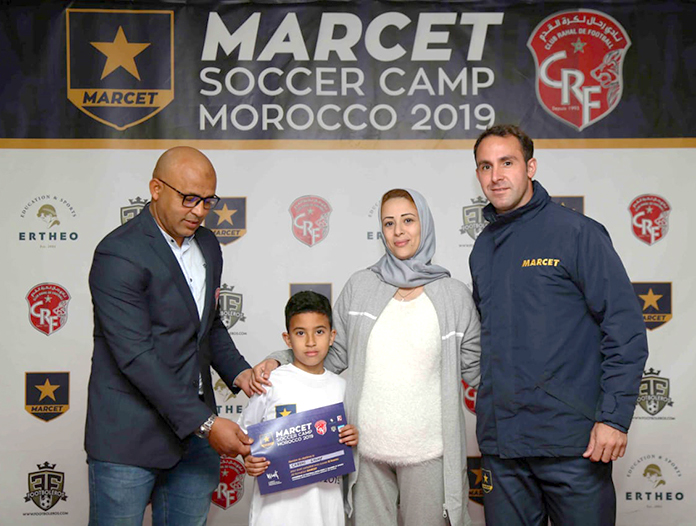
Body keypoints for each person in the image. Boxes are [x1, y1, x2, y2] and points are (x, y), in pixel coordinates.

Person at [253, 189, 481, 526]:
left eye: (408, 220)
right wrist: (277, 359)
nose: (398, 231)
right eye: (389, 223)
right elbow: (330, 354)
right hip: (366, 451)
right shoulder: (361, 286)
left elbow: (479, 370)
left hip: (431, 452)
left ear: (425, 225)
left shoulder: (454, 296)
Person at [469, 124, 649, 525]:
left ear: (530, 166)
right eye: (485, 166)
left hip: (574, 444)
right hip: (503, 449)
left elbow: (625, 329)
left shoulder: (577, 233)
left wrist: (614, 418)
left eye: (507, 162)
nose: (496, 175)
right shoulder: (482, 249)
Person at [85, 146, 258, 525]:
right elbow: (135, 356)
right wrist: (209, 424)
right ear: (156, 188)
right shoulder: (118, 254)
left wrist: (241, 374)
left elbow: (207, 325)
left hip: (193, 443)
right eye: (189, 198)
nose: (198, 211)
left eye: (207, 201)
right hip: (128, 439)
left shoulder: (209, 245)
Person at [240, 291, 359, 526]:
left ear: (332, 336)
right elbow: (242, 434)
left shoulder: (343, 389)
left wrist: (354, 437)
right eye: (300, 333)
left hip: (326, 512)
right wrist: (248, 457)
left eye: (320, 331)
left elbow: (351, 446)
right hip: (275, 514)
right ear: (287, 339)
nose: (311, 341)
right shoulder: (270, 382)